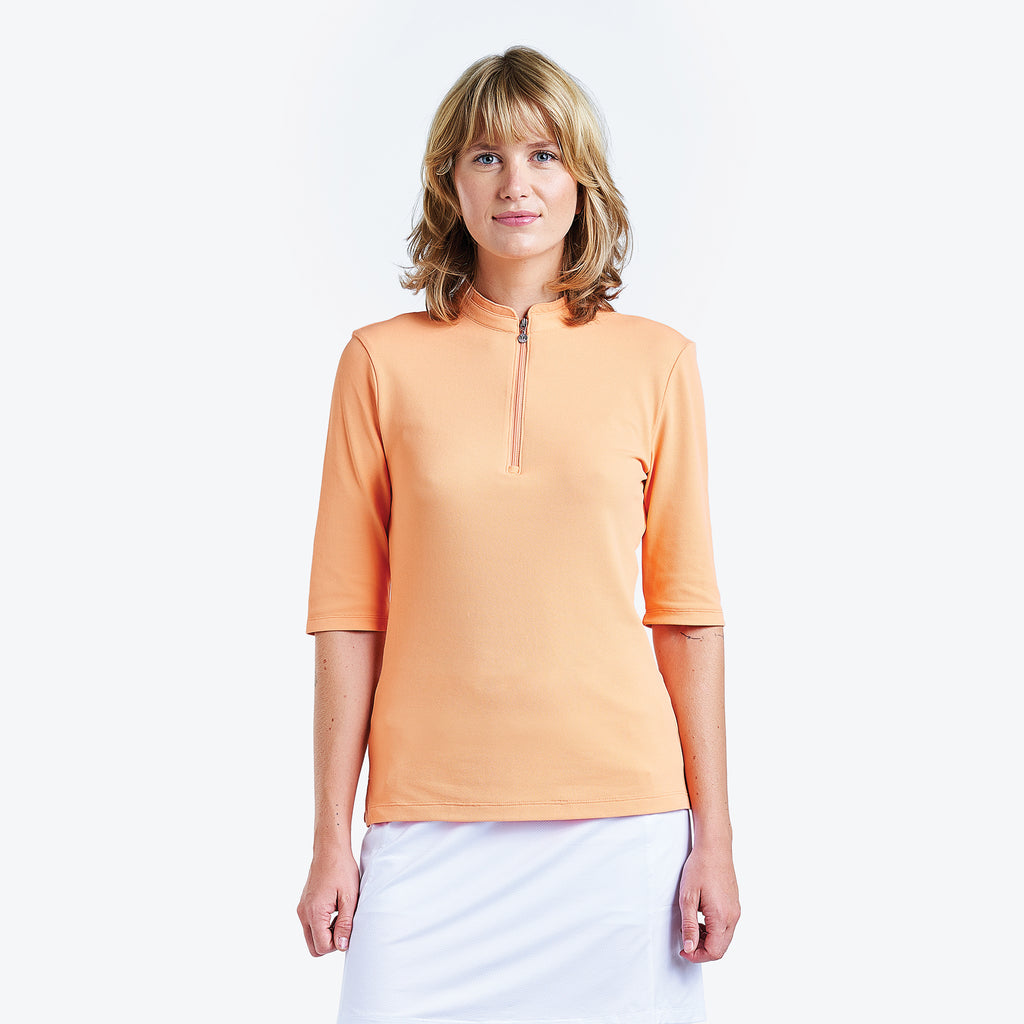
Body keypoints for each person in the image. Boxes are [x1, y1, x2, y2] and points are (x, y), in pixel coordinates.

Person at [296, 45, 740, 1024]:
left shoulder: (659, 363)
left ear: (581, 179)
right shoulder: (378, 363)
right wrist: (331, 836)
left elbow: (686, 615)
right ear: (449, 180)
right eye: (487, 157)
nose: (516, 184)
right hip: (426, 825)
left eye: (544, 155)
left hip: (622, 830)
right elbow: (347, 616)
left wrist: (715, 840)